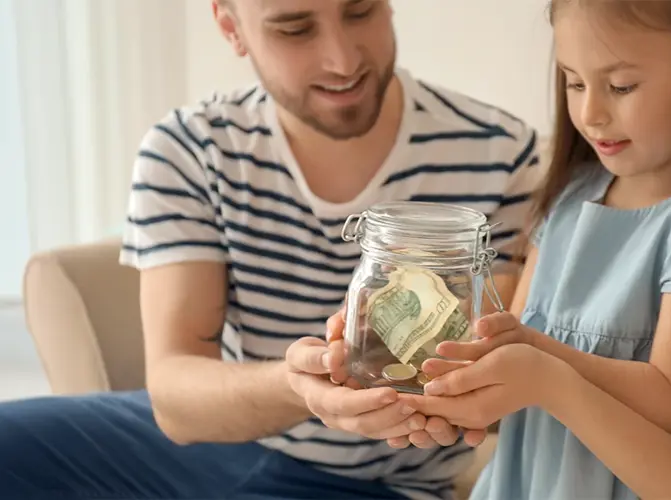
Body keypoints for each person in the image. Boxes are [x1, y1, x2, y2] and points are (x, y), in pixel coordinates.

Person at [0, 1, 539, 499]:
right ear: (231, 26)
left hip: (372, 484)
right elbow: (174, 397)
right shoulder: (191, 149)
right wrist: (301, 384)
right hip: (210, 442)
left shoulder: (506, 155)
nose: (342, 59)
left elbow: (499, 385)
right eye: (294, 28)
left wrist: (461, 390)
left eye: (360, 10)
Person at [363, 0, 671, 499]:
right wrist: (406, 367)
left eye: (621, 86)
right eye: (573, 81)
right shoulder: (570, 195)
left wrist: (540, 362)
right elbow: (505, 346)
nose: (591, 113)